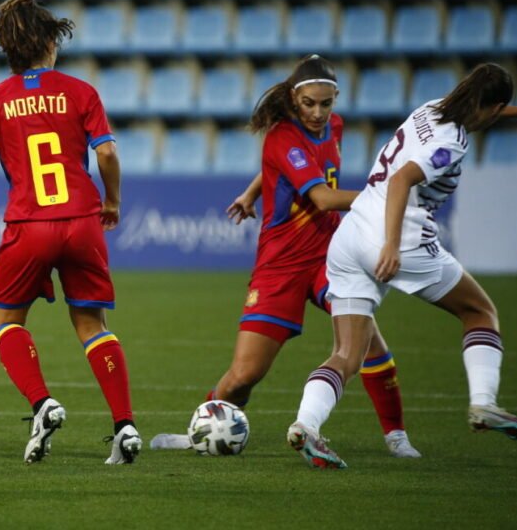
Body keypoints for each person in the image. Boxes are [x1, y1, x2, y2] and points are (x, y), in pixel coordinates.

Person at [150, 55, 419, 457]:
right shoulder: (281, 136)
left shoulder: (336, 128)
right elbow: (324, 198)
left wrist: (252, 191)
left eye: (325, 104)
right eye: (308, 103)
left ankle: (396, 436)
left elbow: (292, 167)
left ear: (335, 100)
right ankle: (198, 434)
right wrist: (386, 196)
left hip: (331, 256)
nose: (317, 112)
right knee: (244, 375)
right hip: (280, 264)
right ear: (294, 100)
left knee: (369, 344)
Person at [287, 63, 517, 469]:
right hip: (396, 234)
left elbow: (486, 112)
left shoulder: (432, 109)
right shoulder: (452, 141)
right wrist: (393, 247)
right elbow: (402, 182)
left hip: (351, 233)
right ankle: (484, 403)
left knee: (346, 354)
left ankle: (306, 425)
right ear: (492, 104)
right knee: (480, 311)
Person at [0, 0, 140, 465]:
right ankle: (124, 425)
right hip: (83, 221)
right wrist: (112, 200)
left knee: (5, 321)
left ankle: (43, 403)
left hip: (29, 224)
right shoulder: (81, 92)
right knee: (91, 324)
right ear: (49, 44)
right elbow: (106, 152)